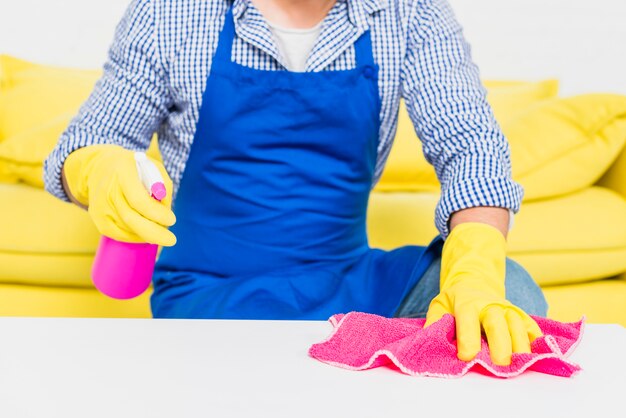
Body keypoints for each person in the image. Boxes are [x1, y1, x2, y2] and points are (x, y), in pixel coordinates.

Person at [44, 0, 548, 366]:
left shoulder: (409, 13)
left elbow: (471, 146)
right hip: (211, 294)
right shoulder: (169, 12)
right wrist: (98, 169)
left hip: (350, 283)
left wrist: (476, 267)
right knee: (271, 373)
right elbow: (91, 138)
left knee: (514, 292)